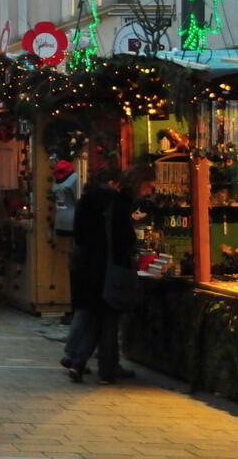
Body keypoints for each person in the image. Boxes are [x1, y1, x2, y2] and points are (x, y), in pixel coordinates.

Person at [65, 164, 155, 384]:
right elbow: (123, 237)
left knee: (95, 317)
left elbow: (78, 233)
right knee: (107, 319)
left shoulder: (86, 200)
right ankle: (102, 366)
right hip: (108, 268)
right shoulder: (114, 203)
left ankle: (78, 360)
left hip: (87, 266)